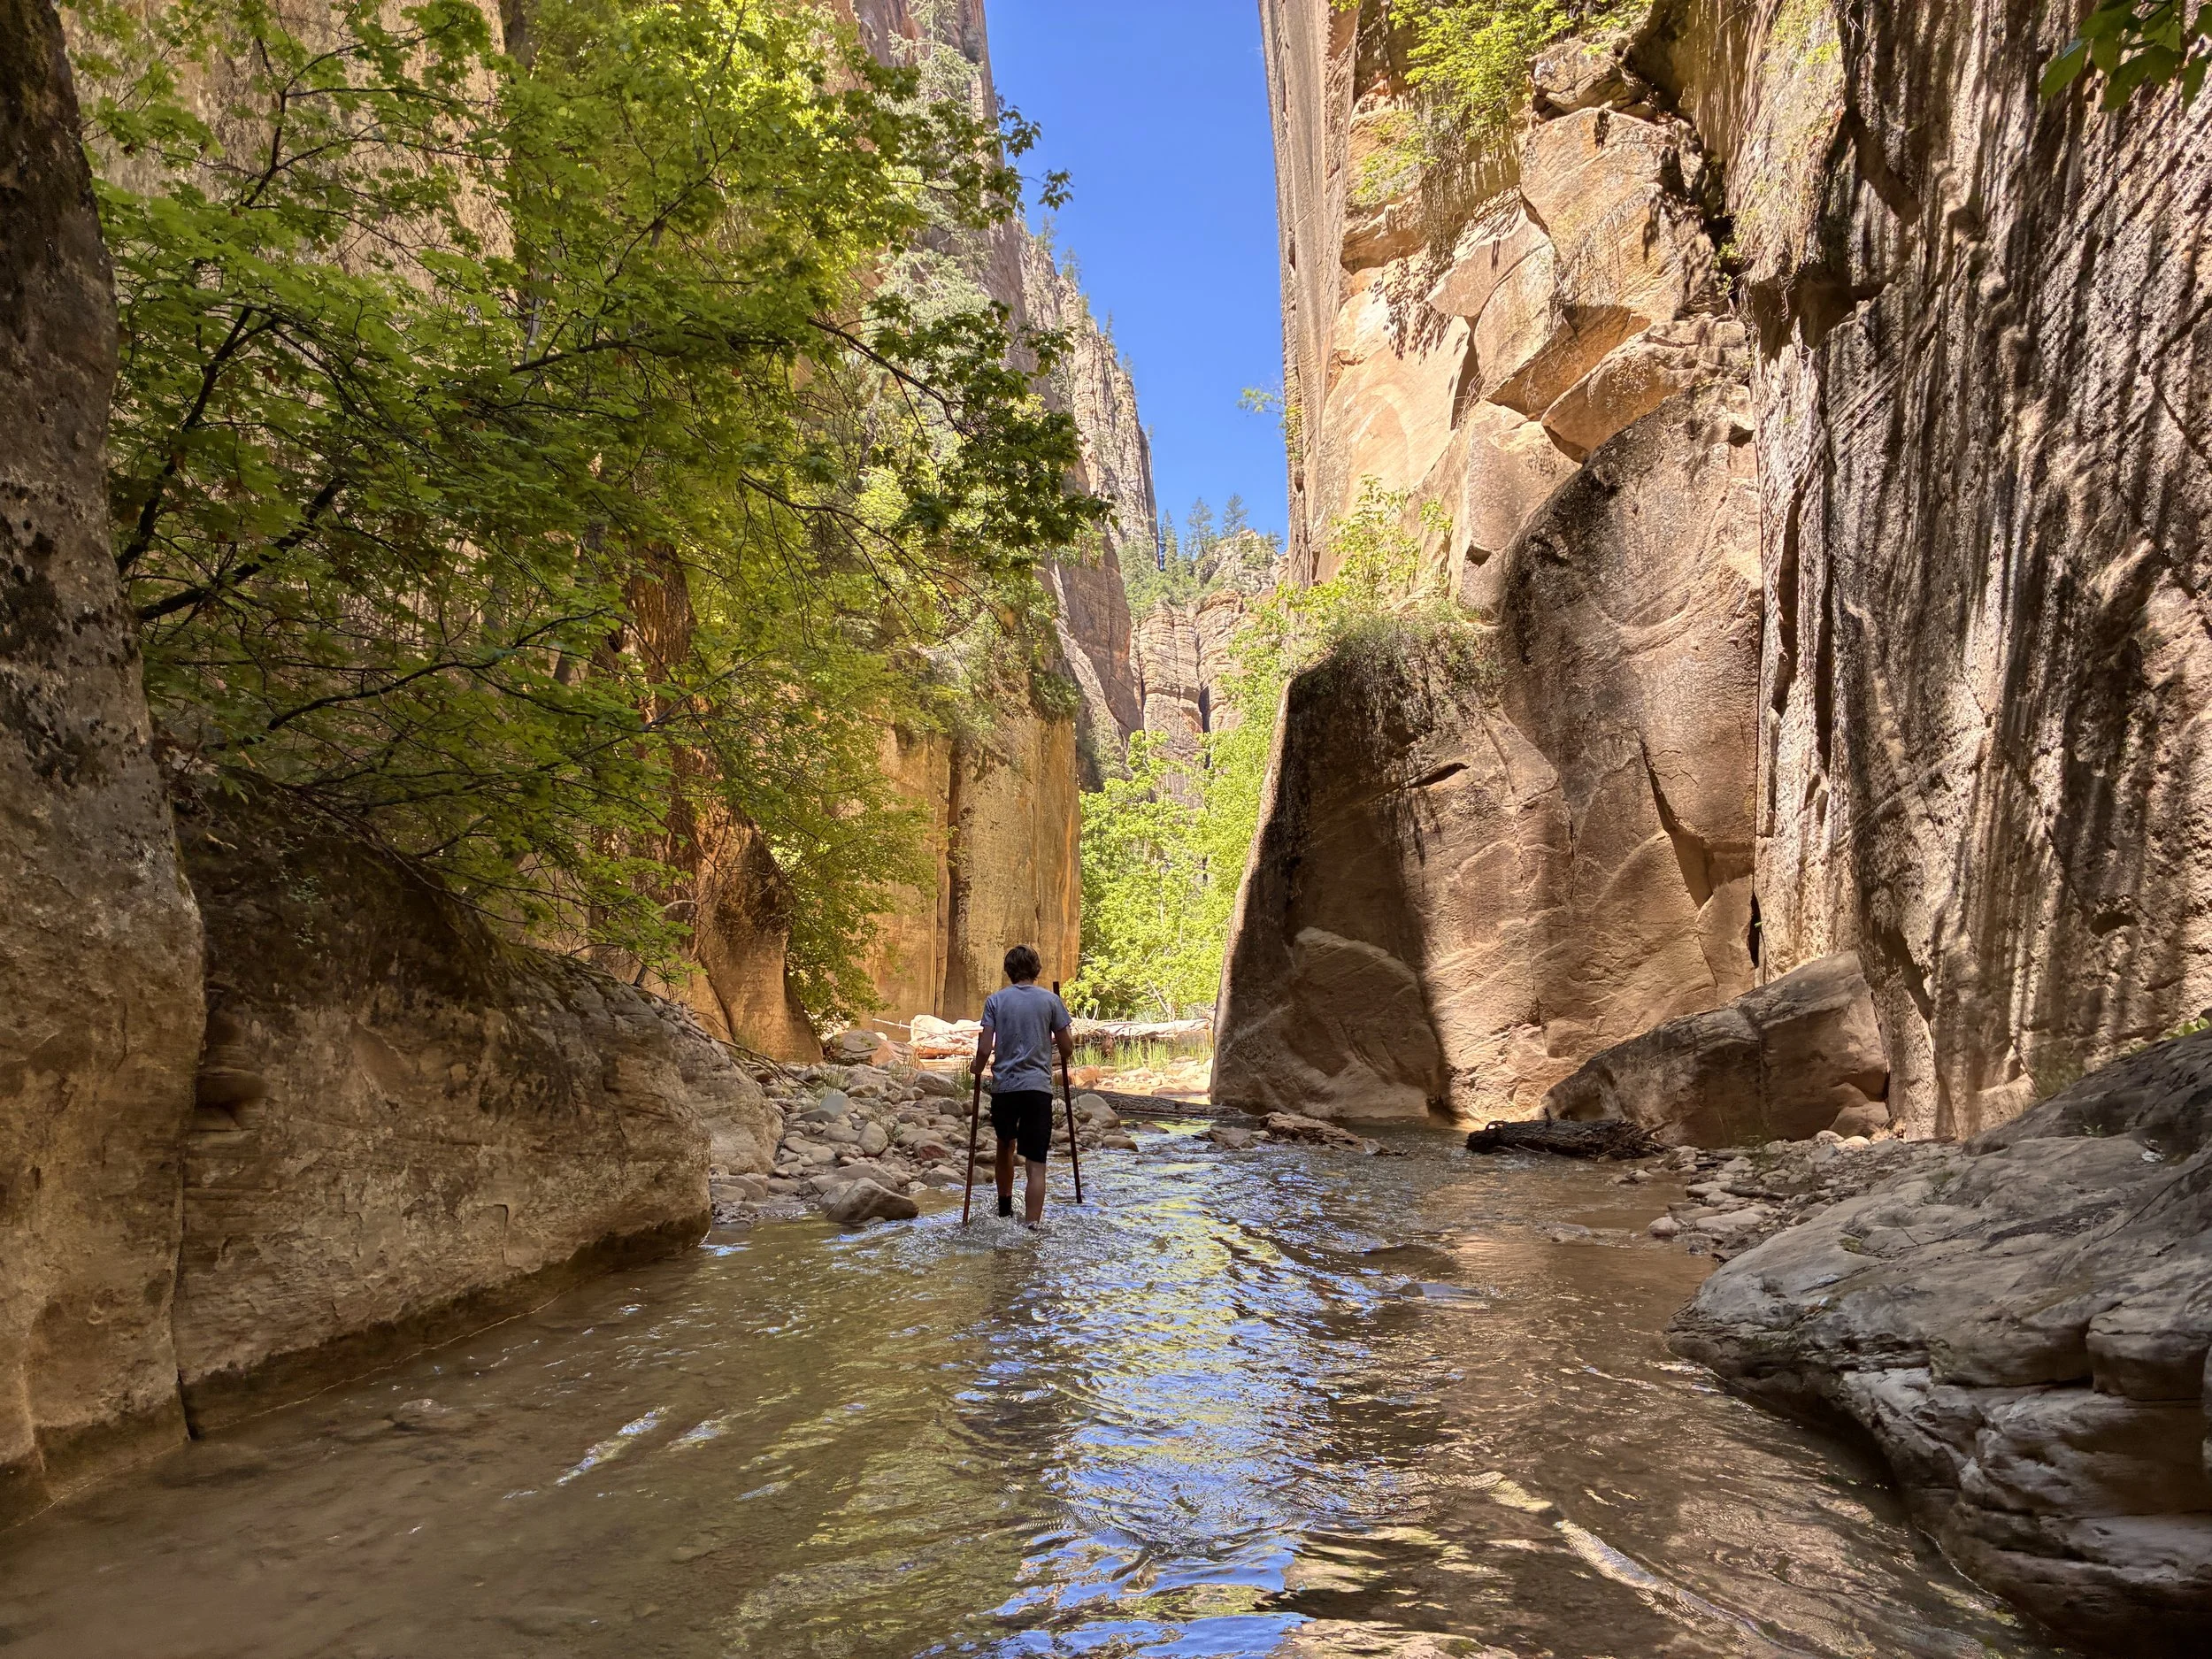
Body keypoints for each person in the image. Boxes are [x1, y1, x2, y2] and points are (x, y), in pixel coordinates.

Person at [972, 944, 1074, 1225]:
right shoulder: (1051, 1001)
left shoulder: (995, 1001)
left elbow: (984, 1049)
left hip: (1005, 1088)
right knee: (1036, 1161)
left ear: (1008, 971)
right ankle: (1031, 1227)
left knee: (1005, 1146)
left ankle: (1005, 1210)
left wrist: (976, 1069)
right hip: (1038, 1088)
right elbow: (1067, 1048)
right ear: (1036, 970)